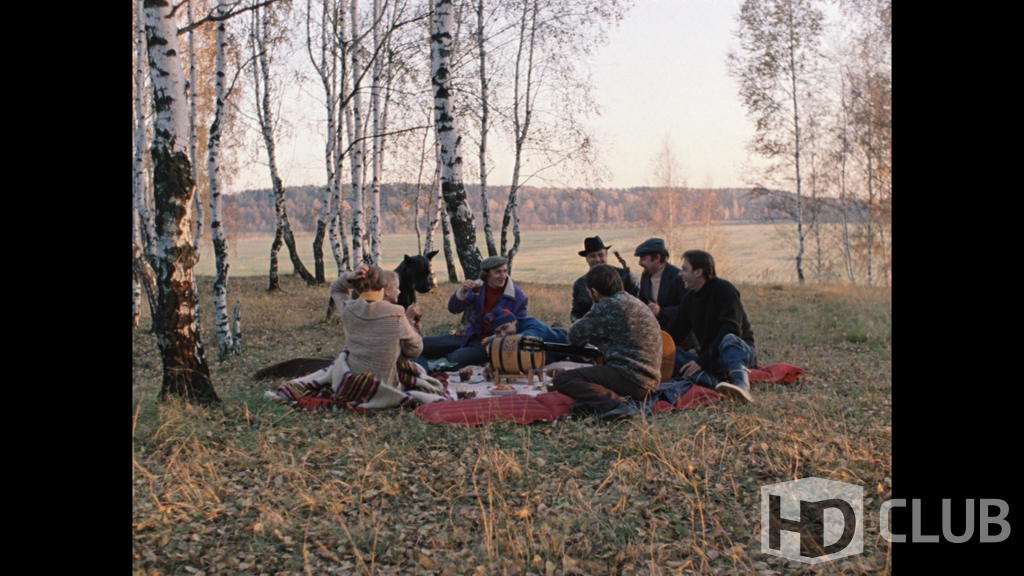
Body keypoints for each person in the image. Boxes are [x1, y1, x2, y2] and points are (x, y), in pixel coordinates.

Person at [553, 264, 662, 420]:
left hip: (632, 379)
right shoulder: (633, 301)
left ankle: (616, 405)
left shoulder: (607, 305)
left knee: (562, 379)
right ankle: (598, 404)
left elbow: (574, 336)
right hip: (650, 381)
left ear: (595, 291)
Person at [667, 249, 757, 404]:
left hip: (738, 354)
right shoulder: (689, 300)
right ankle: (716, 384)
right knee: (670, 355)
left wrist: (701, 362)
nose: (680, 274)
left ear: (698, 272)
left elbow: (732, 330)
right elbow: (673, 334)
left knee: (729, 339)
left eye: (684, 269)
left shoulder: (725, 289)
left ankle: (741, 386)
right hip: (711, 360)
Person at [419, 255, 528, 370]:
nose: (503, 276)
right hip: (470, 334)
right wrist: (463, 291)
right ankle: (418, 362)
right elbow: (453, 309)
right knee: (425, 344)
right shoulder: (478, 287)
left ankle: (427, 367)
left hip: (491, 343)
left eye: (505, 271)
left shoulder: (517, 297)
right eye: (498, 272)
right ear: (486, 274)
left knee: (456, 357)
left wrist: (493, 338)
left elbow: (518, 329)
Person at [330, 264, 423, 387]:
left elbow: (335, 288)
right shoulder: (396, 313)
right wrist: (397, 354)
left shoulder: (347, 309)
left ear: (356, 290)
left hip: (354, 384)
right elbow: (416, 348)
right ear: (383, 289)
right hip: (385, 387)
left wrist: (350, 276)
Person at [634, 239, 697, 351]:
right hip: (656, 337)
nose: (640, 263)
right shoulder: (645, 276)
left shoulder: (678, 277)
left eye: (643, 259)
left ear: (657, 258)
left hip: (680, 341)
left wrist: (660, 312)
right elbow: (642, 301)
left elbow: (688, 308)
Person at [571, 236, 640, 322]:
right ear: (587, 259)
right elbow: (575, 313)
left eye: (601, 255)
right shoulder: (579, 284)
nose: (597, 260)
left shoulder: (623, 276)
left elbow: (638, 301)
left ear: (606, 256)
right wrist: (578, 322)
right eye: (593, 256)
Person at [480, 308, 572, 365]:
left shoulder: (533, 324)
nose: (503, 335)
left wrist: (495, 342)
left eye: (505, 328)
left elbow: (527, 339)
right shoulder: (505, 335)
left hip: (567, 347)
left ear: (514, 321)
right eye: (497, 332)